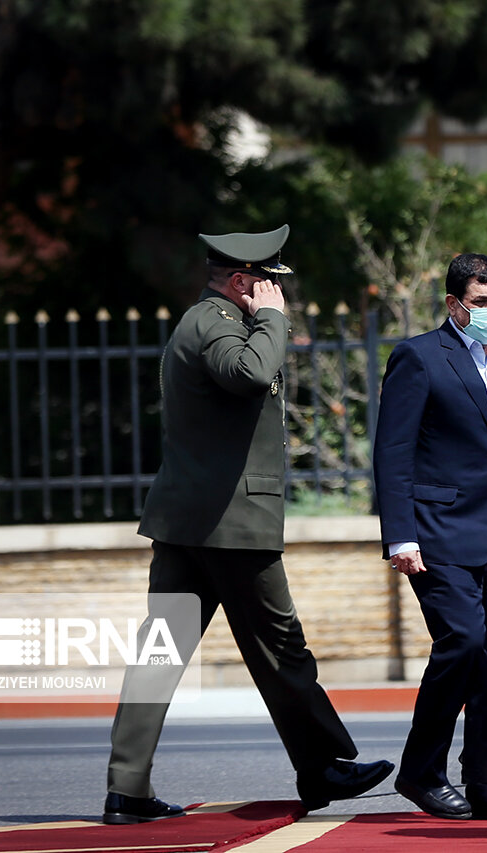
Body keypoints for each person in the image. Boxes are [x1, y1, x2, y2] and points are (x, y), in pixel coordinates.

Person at [103, 225, 393, 825]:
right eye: (269, 283)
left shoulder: (206, 322)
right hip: (229, 523)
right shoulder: (215, 324)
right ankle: (324, 767)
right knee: (282, 648)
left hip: (192, 520)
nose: (277, 293)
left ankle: (126, 789)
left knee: (161, 652)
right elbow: (251, 375)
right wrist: (273, 321)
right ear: (243, 282)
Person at [373, 253, 487, 822]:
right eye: (481, 302)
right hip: (438, 534)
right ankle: (421, 772)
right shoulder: (419, 358)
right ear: (454, 304)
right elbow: (392, 453)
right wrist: (400, 536)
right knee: (464, 643)